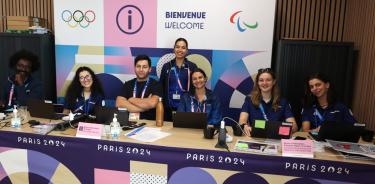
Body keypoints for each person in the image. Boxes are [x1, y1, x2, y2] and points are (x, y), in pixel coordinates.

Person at [238, 68, 298, 136]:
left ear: (274, 82)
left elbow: (294, 127)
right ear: (257, 82)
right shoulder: (249, 99)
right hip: (255, 138)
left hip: (276, 139)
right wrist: (245, 126)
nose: (264, 83)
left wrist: (279, 131)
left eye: (268, 80)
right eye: (261, 80)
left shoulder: (283, 102)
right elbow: (242, 121)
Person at [159, 38, 198, 121]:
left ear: (187, 50)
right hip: (168, 109)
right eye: (177, 47)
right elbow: (161, 86)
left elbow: (197, 87)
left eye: (183, 47)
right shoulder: (167, 66)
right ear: (174, 49)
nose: (180, 50)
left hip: (186, 108)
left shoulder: (192, 67)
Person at [116, 54, 162, 120]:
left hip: (149, 123)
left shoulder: (156, 85)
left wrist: (131, 100)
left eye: (144, 67)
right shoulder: (128, 84)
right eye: (138, 66)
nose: (141, 69)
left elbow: (152, 103)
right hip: (130, 122)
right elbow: (119, 103)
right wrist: (145, 107)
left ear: (150, 69)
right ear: (134, 68)